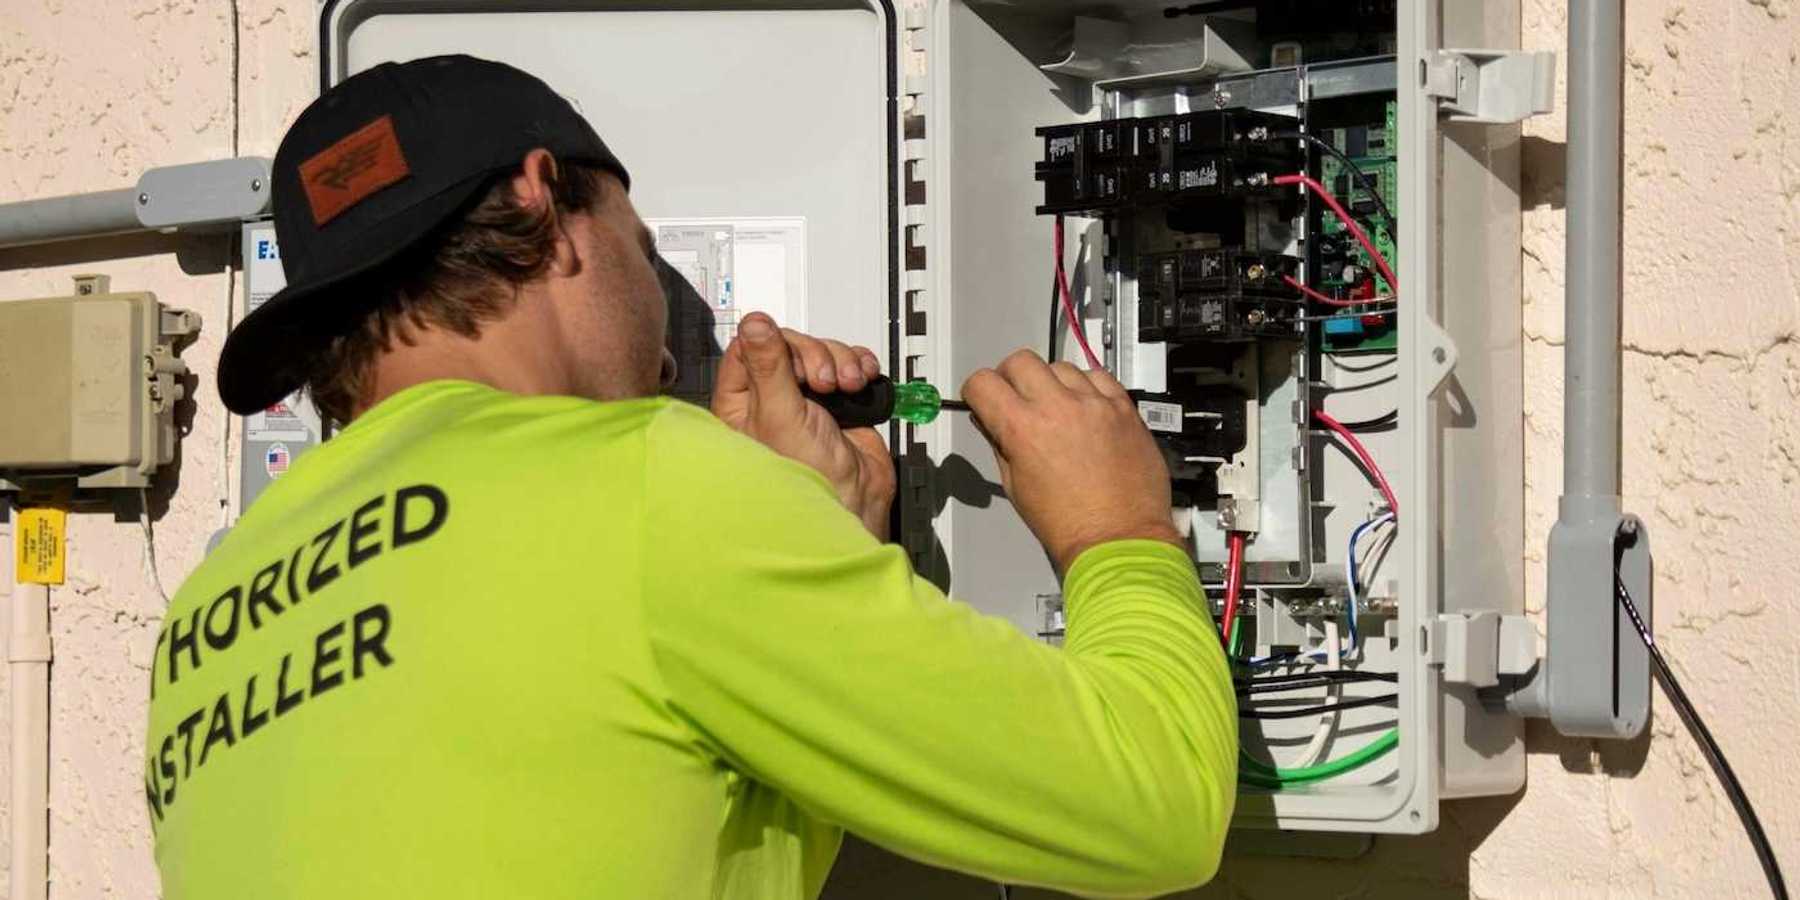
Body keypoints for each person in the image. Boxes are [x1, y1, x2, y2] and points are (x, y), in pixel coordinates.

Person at [144, 55, 1236, 899]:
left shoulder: (202, 623)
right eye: (640, 240)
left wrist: (809, 532)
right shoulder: (649, 492)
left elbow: (662, 828)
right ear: (541, 202)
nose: (671, 359)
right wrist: (1115, 523)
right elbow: (1156, 803)